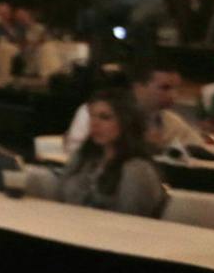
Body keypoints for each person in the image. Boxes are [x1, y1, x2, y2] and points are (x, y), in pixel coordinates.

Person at [53, 87, 168, 217]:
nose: (94, 124)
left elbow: (130, 223)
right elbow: (58, 199)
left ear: (126, 122)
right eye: (92, 116)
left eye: (105, 117)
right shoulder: (83, 158)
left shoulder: (137, 170)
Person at [62, 57, 206, 153]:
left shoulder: (171, 122)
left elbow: (201, 150)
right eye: (165, 88)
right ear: (138, 87)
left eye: (176, 89)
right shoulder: (95, 113)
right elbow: (75, 151)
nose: (173, 95)